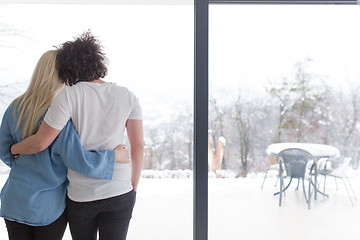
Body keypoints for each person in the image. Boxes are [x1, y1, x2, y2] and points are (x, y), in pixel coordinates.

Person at [11, 31, 144, 240]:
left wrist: (14, 148)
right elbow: (137, 147)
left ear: (67, 67)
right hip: (119, 188)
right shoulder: (128, 96)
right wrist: (133, 184)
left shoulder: (68, 96)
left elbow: (41, 142)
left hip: (82, 195)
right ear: (98, 61)